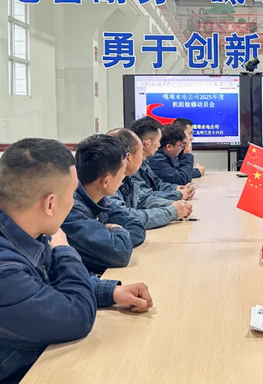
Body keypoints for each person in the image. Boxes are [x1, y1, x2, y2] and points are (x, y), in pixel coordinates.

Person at [0, 138, 153, 383]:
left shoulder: (25, 229)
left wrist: (110, 292)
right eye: (72, 194)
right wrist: (64, 250)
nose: (74, 201)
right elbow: (78, 315)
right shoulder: (6, 270)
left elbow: (47, 286)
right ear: (50, 203)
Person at [61, 135, 146, 274]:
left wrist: (111, 236)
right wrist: (116, 229)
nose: (123, 178)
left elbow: (137, 228)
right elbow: (120, 253)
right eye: (122, 173)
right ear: (106, 181)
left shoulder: (100, 199)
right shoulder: (71, 208)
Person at [107, 128, 193, 229]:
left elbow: (142, 199)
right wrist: (172, 211)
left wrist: (173, 204)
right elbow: (124, 217)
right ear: (128, 157)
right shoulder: (108, 182)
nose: (142, 158)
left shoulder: (126, 178)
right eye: (140, 153)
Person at [130, 116, 194, 201]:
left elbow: (157, 183)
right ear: (148, 144)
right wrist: (177, 195)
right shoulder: (132, 166)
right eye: (158, 141)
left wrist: (177, 188)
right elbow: (143, 197)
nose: (159, 145)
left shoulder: (144, 161)